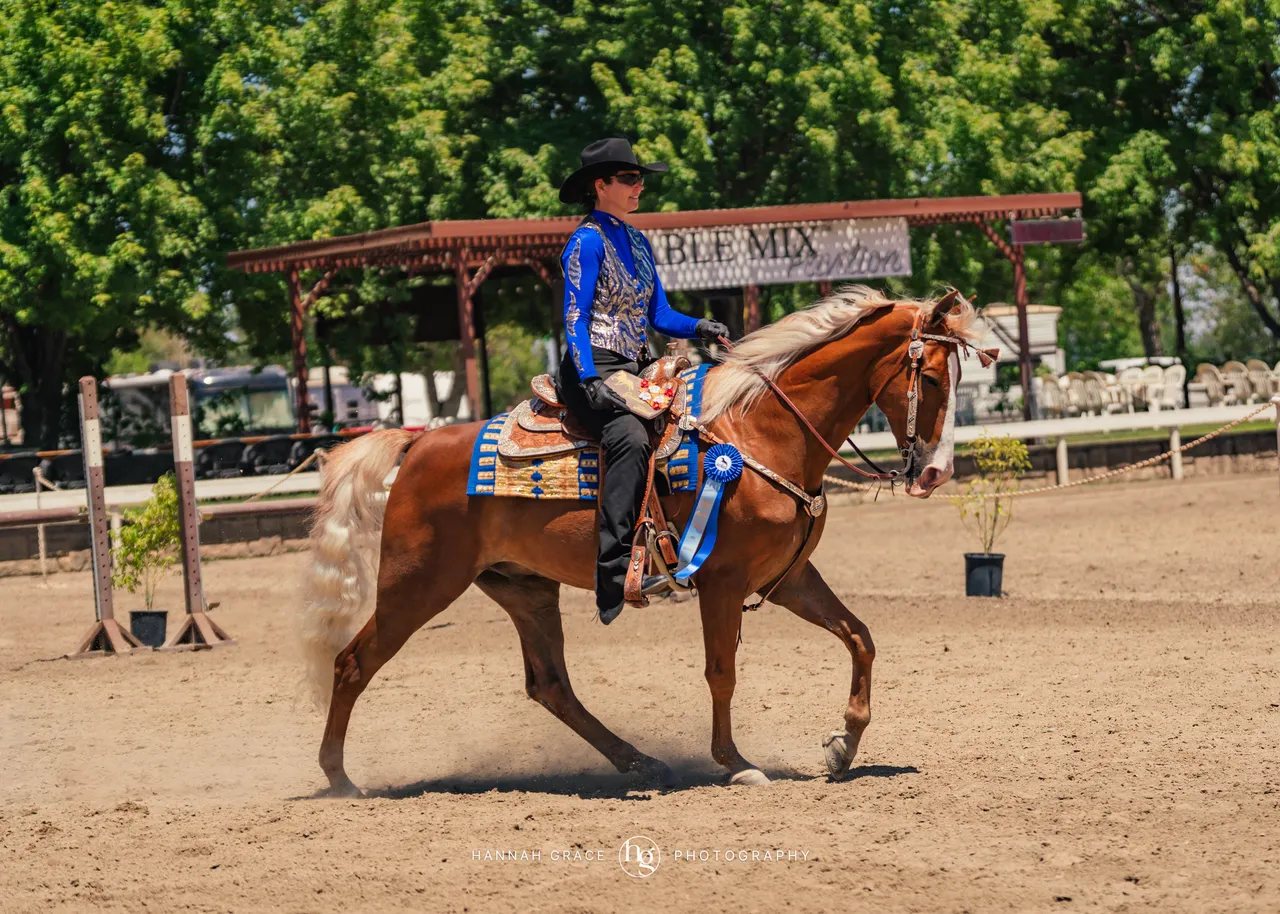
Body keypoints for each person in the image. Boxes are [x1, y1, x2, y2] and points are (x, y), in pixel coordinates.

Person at [557, 137, 730, 625]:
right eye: (630, 179)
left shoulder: (637, 240)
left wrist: (699, 326)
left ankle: (677, 545)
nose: (639, 187)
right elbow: (575, 316)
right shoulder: (584, 242)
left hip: (635, 366)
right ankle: (612, 572)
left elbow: (659, 313)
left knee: (692, 424)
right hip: (592, 368)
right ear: (601, 185)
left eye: (639, 179)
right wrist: (589, 376)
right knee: (631, 438)